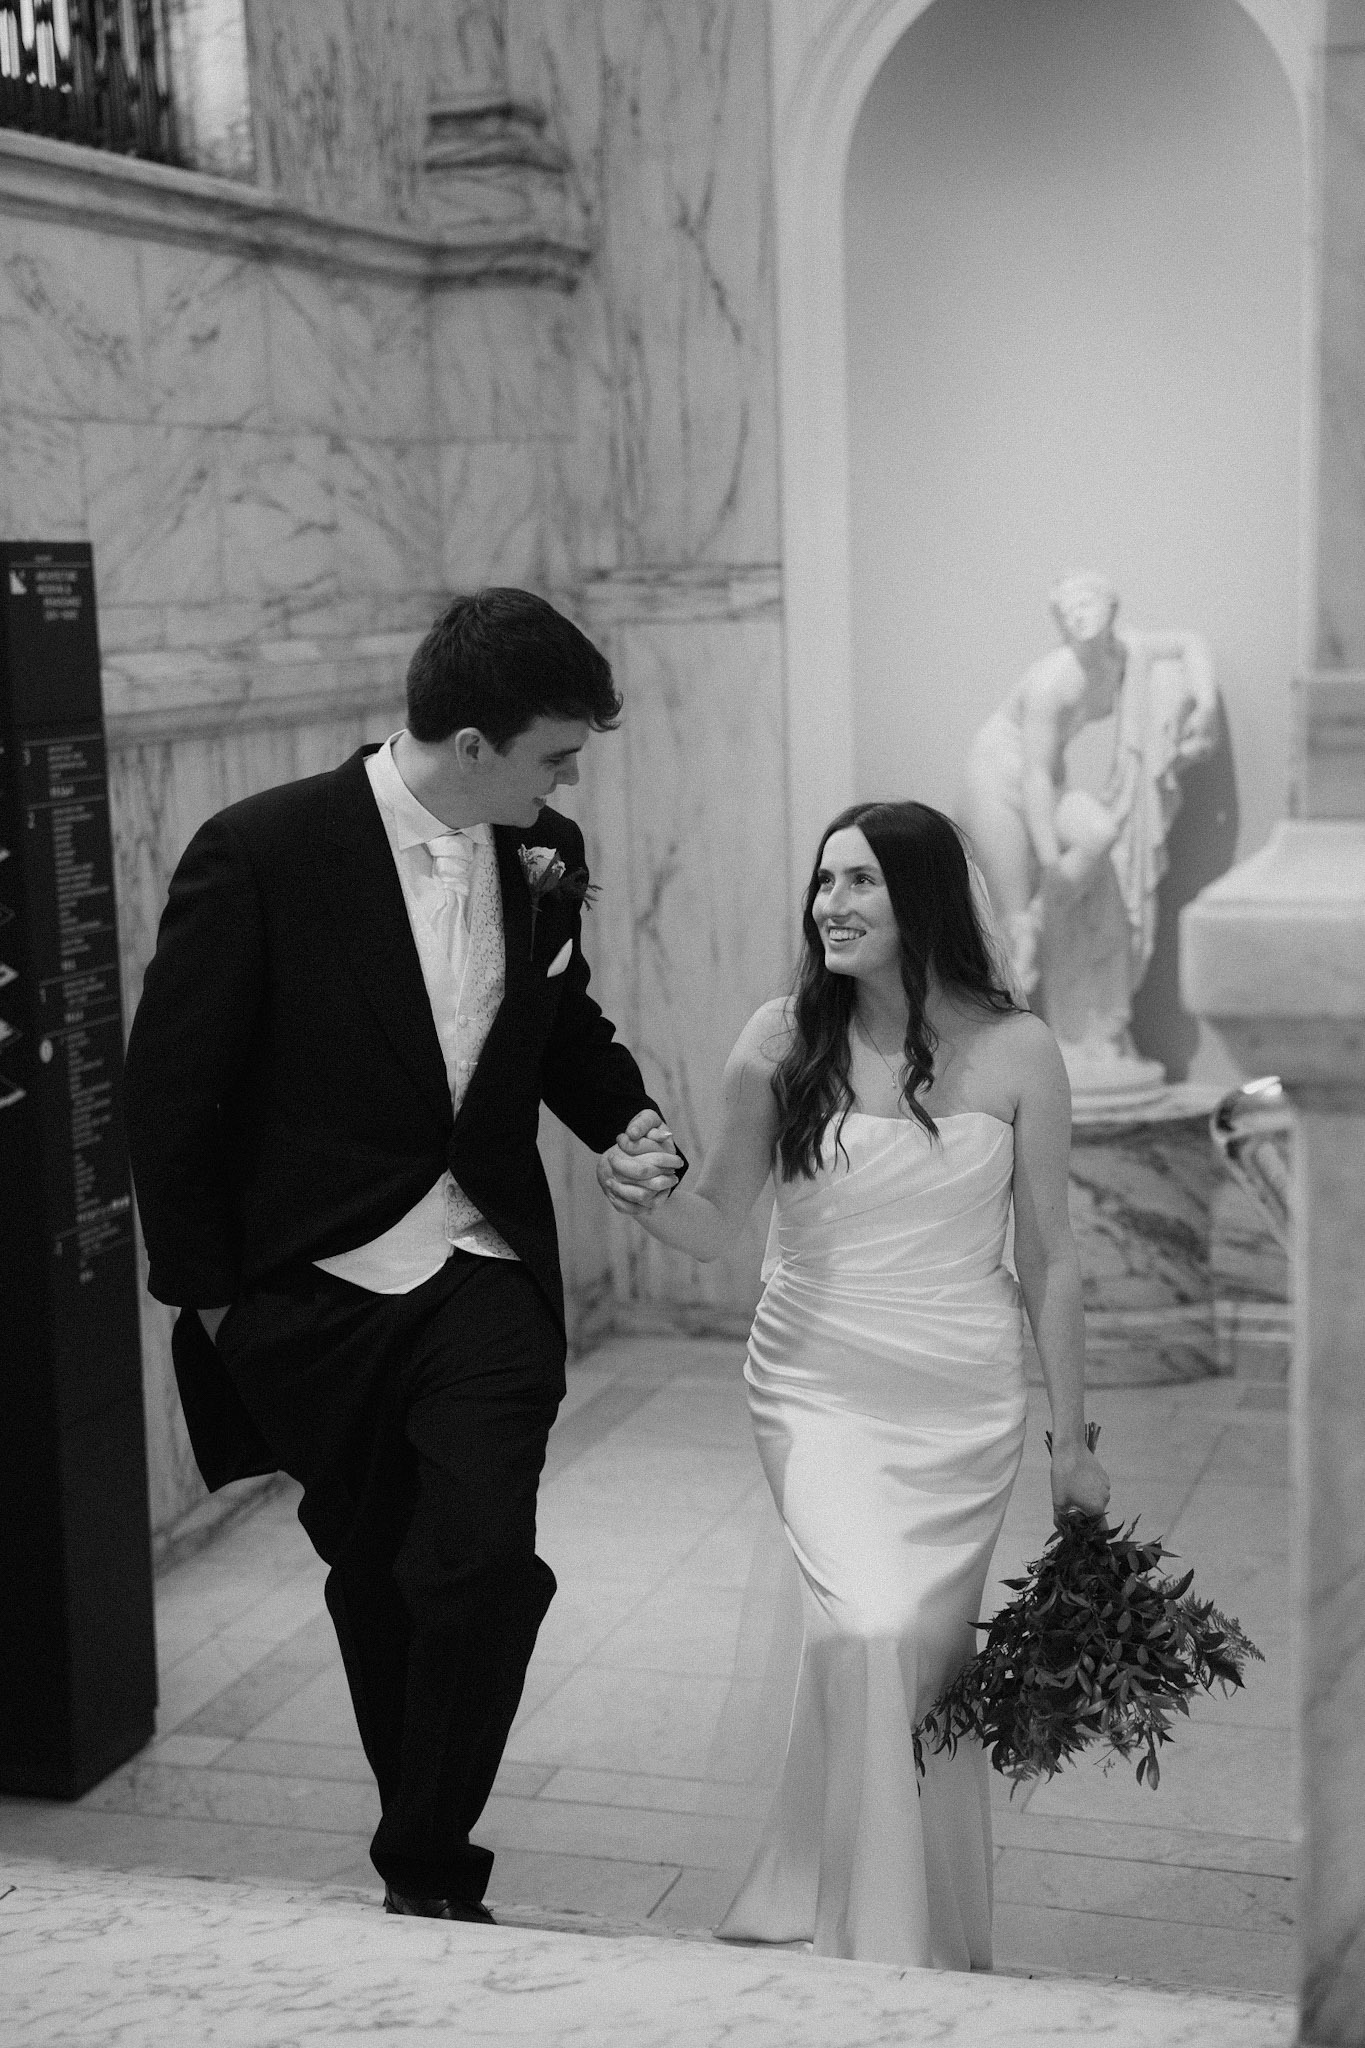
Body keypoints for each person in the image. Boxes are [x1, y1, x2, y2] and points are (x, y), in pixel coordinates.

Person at [123, 587, 682, 1923]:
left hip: (484, 1266)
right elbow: (168, 1088)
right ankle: (423, 1864)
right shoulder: (260, 850)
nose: (567, 783)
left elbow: (559, 1024)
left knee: (481, 1565)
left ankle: (428, 1854)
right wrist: (216, 1306)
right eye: (554, 755)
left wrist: (631, 1119)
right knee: (378, 1576)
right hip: (313, 1295)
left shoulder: (540, 851)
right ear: (473, 744)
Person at [598, 800, 1109, 1969]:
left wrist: (1072, 1440)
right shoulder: (781, 1039)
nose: (831, 903)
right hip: (816, 1382)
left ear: (921, 898)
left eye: (861, 880)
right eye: (825, 880)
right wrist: (641, 1193)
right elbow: (716, 1218)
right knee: (873, 1629)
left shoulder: (1020, 1049)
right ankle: (876, 1945)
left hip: (963, 1394)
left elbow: (1052, 1255)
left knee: (913, 1652)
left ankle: (893, 1908)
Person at [957, 573, 1216, 1092]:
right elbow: (1032, 775)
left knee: (1098, 834)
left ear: (1111, 606)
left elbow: (1190, 644)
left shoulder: (1126, 654)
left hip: (1046, 782)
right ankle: (999, 1055)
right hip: (996, 781)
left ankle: (1049, 929)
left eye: (1086, 602)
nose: (1078, 614)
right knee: (1014, 927)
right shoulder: (1054, 680)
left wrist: (1205, 705)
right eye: (1067, 609)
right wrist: (1051, 859)